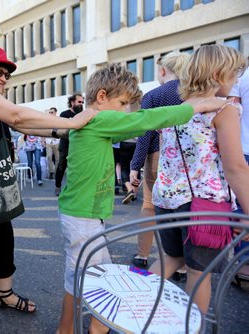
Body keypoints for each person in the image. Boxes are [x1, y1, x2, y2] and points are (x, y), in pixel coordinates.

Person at [56, 63, 227, 334]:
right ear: (102, 97)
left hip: (81, 214)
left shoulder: (95, 121)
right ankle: (81, 329)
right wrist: (196, 106)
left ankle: (85, 328)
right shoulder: (98, 119)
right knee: (84, 277)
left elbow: (135, 127)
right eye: (122, 103)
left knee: (85, 275)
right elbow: (144, 120)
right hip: (82, 216)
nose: (125, 110)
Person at [0, 46, 98, 322]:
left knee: (1, 233)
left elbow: (23, 126)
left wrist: (61, 129)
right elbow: (17, 116)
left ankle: (5, 294)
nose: (3, 77)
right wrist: (73, 123)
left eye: (6, 74)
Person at [149, 45, 249, 314]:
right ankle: (191, 328)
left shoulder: (179, 109)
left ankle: (133, 306)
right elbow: (236, 167)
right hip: (203, 205)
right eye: (234, 74)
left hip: (168, 198)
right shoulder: (224, 110)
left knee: (170, 258)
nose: (237, 80)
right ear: (217, 74)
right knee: (198, 273)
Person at [128, 51, 189, 268]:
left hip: (157, 155)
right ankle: (181, 263)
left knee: (149, 204)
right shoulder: (191, 93)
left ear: (163, 70)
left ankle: (142, 255)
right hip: (188, 158)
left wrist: (135, 166)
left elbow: (145, 133)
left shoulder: (153, 95)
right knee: (183, 205)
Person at [228, 63, 249, 290]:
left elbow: (232, 106)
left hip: (244, 148)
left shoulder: (243, 76)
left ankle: (243, 265)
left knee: (243, 209)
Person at [54, 93, 84, 196]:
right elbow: (60, 129)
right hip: (65, 145)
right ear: (72, 102)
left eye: (82, 102)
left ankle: (74, 188)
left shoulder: (82, 115)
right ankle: (57, 186)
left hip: (78, 146)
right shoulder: (64, 114)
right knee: (61, 167)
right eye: (79, 102)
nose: (81, 104)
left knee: (76, 168)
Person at [45, 107, 60, 179]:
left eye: (52, 112)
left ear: (55, 112)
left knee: (57, 159)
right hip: (48, 142)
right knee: (49, 157)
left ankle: (57, 173)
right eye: (50, 112)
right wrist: (42, 140)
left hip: (56, 142)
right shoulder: (47, 120)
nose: (50, 113)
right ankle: (51, 172)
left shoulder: (59, 120)